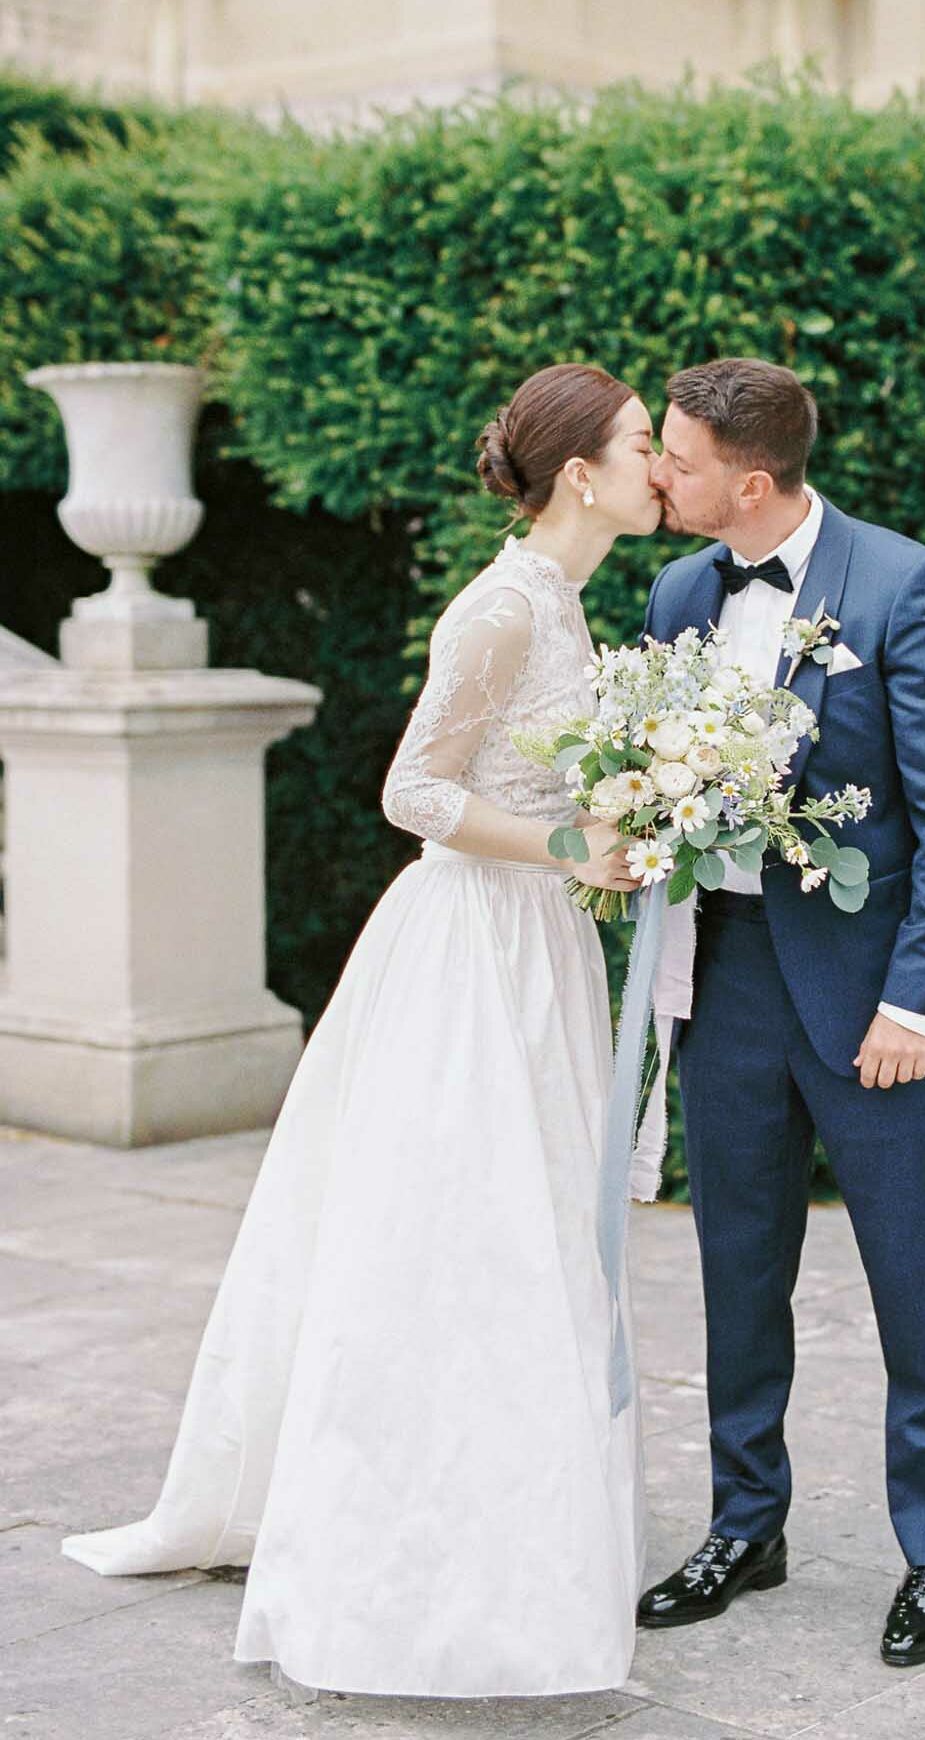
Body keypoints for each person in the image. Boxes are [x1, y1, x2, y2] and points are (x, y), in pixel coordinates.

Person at [59, 363, 663, 1700]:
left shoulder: (568, 605)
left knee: (538, 1230)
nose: (657, 468)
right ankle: (411, 1551)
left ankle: (523, 1529)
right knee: (456, 1236)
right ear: (581, 474)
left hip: (543, 943)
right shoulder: (499, 609)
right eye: (638, 446)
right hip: (468, 952)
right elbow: (413, 791)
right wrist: (575, 840)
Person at [636, 357, 925, 1667]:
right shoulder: (679, 588)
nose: (652, 473)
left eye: (670, 458)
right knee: (737, 1264)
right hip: (723, 974)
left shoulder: (907, 585)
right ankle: (748, 1520)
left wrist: (921, 1000)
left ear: (747, 479)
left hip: (870, 1000)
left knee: (914, 1275)